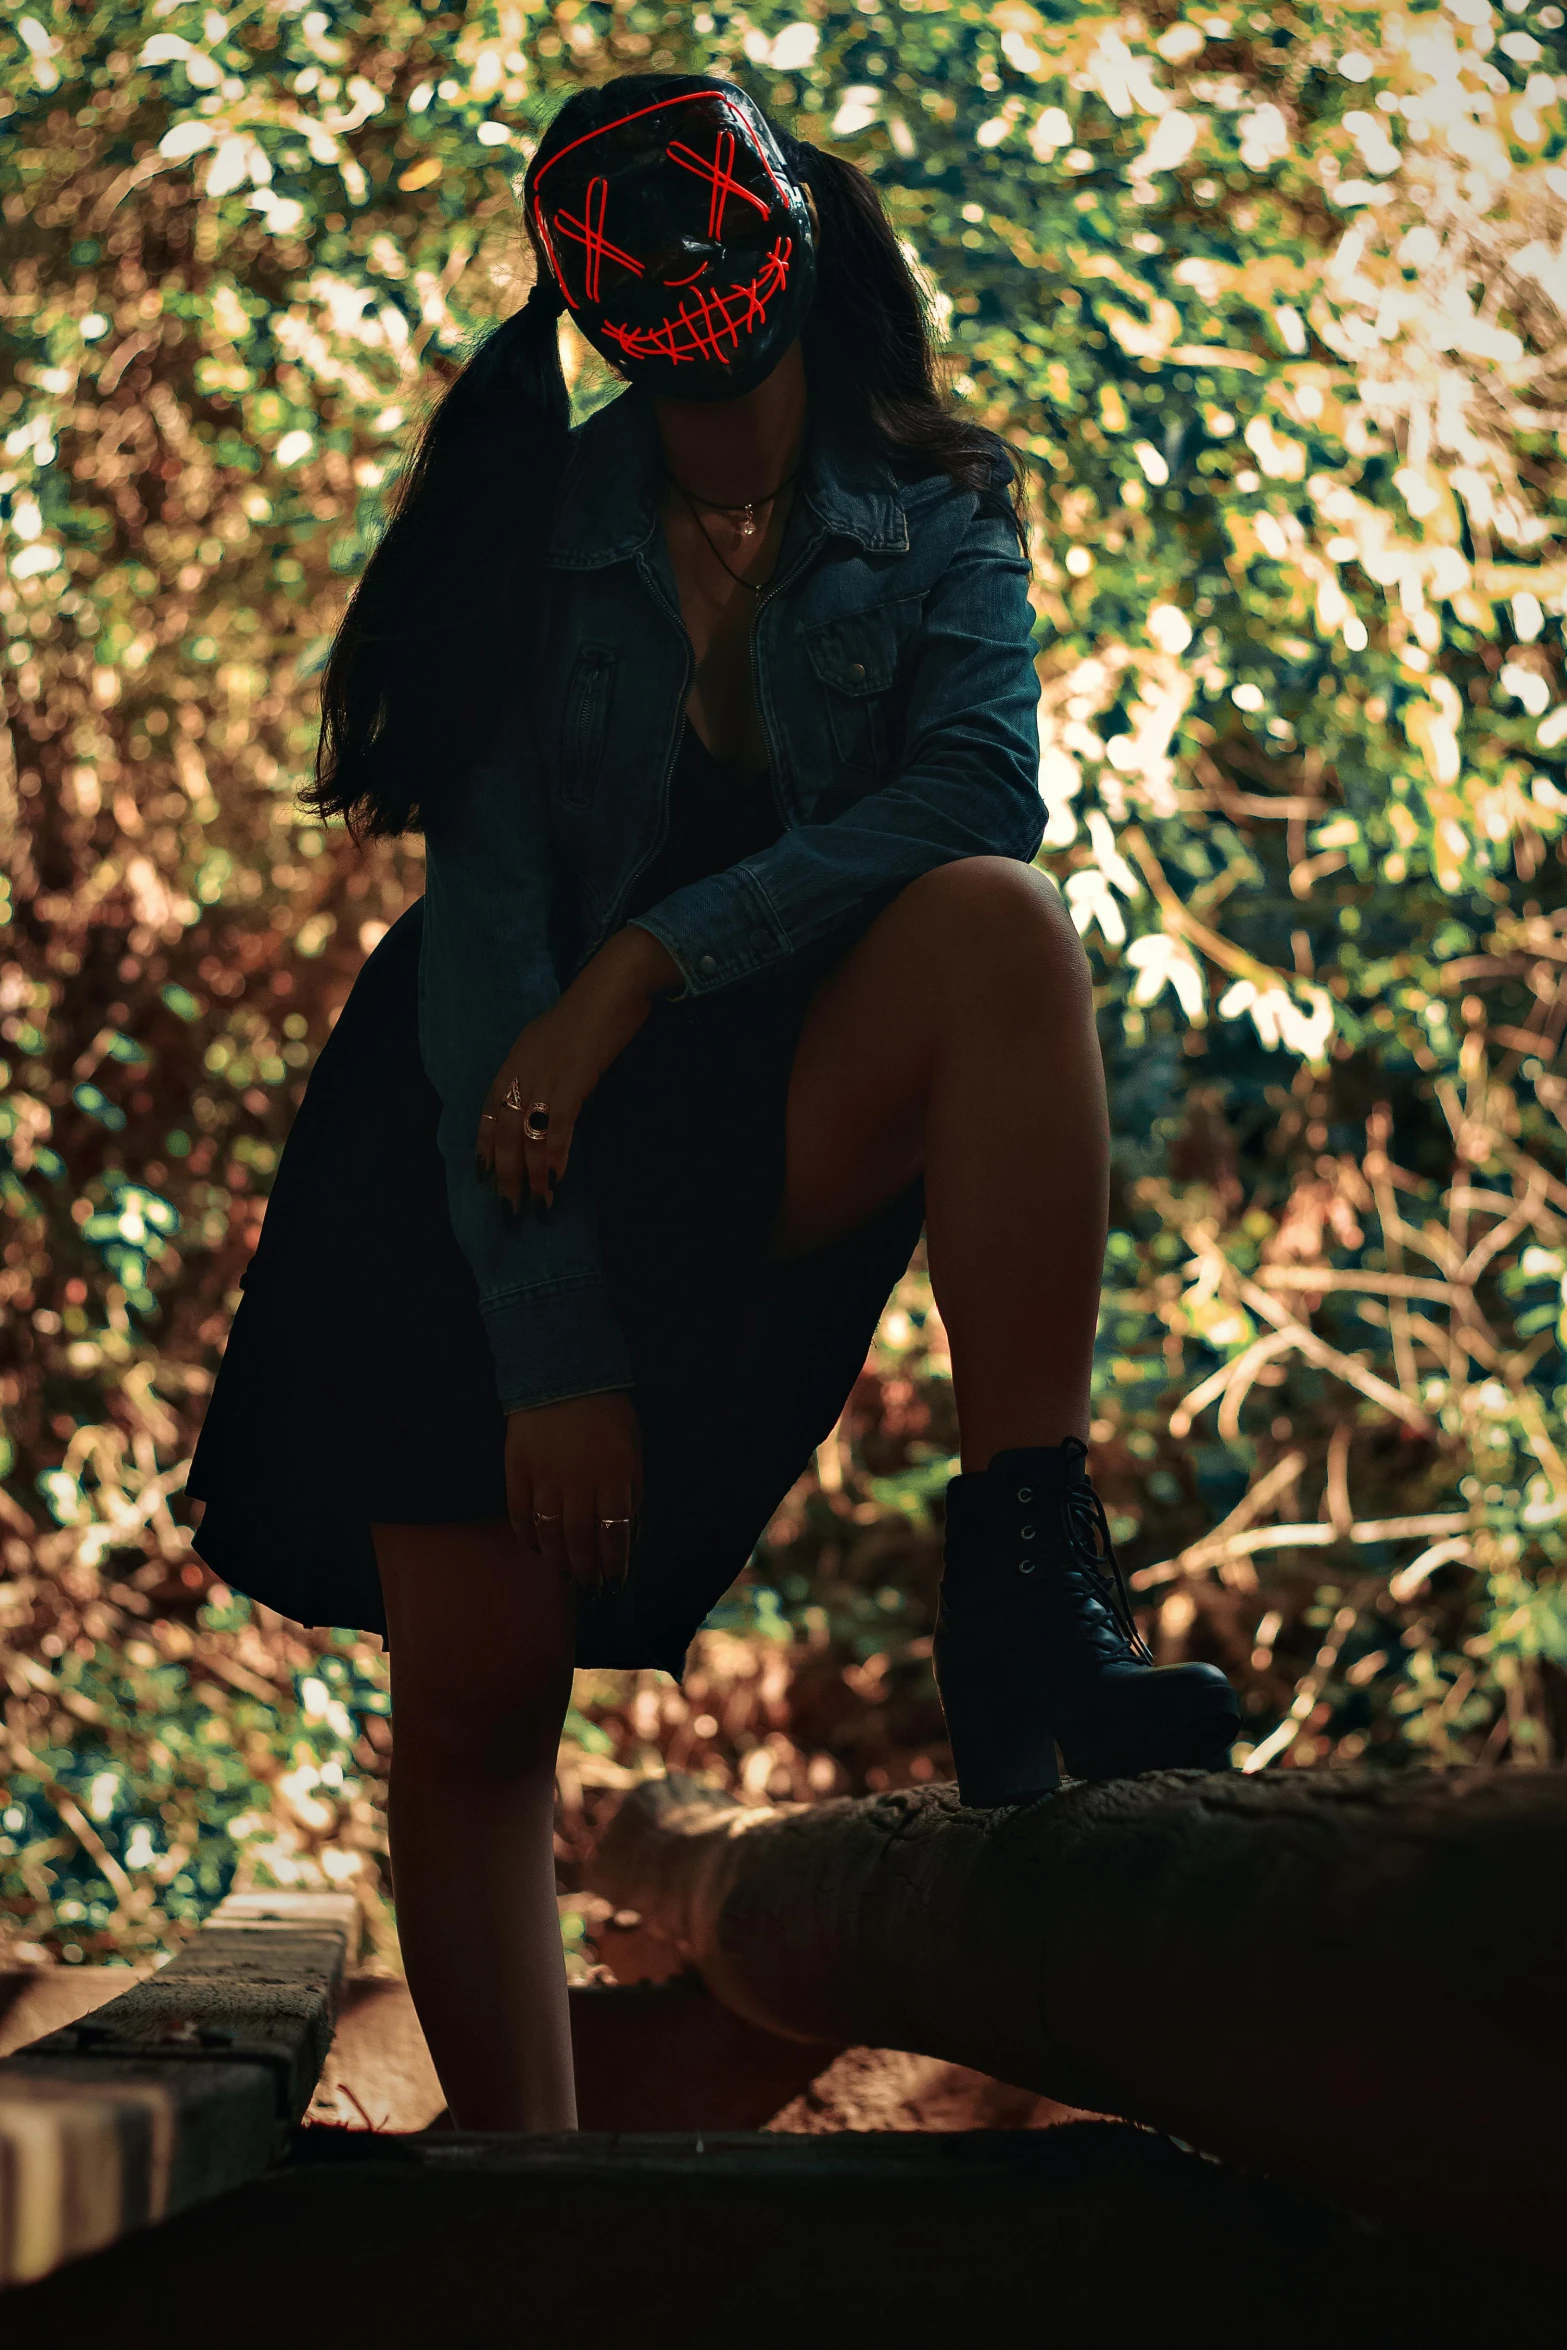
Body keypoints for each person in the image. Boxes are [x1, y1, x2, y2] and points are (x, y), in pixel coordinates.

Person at [189, 72, 1239, 2131]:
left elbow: (972, 791)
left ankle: (1029, 1579)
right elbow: (488, 957)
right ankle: (531, 2190)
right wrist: (552, 1347)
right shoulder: (539, 529)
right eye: (634, 263)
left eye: (708, 242)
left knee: (1005, 924)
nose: (679, 283)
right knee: (482, 1710)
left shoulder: (939, 507)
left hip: (735, 1082)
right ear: (589, 310)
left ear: (795, 245)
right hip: (482, 1148)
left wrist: (646, 964)